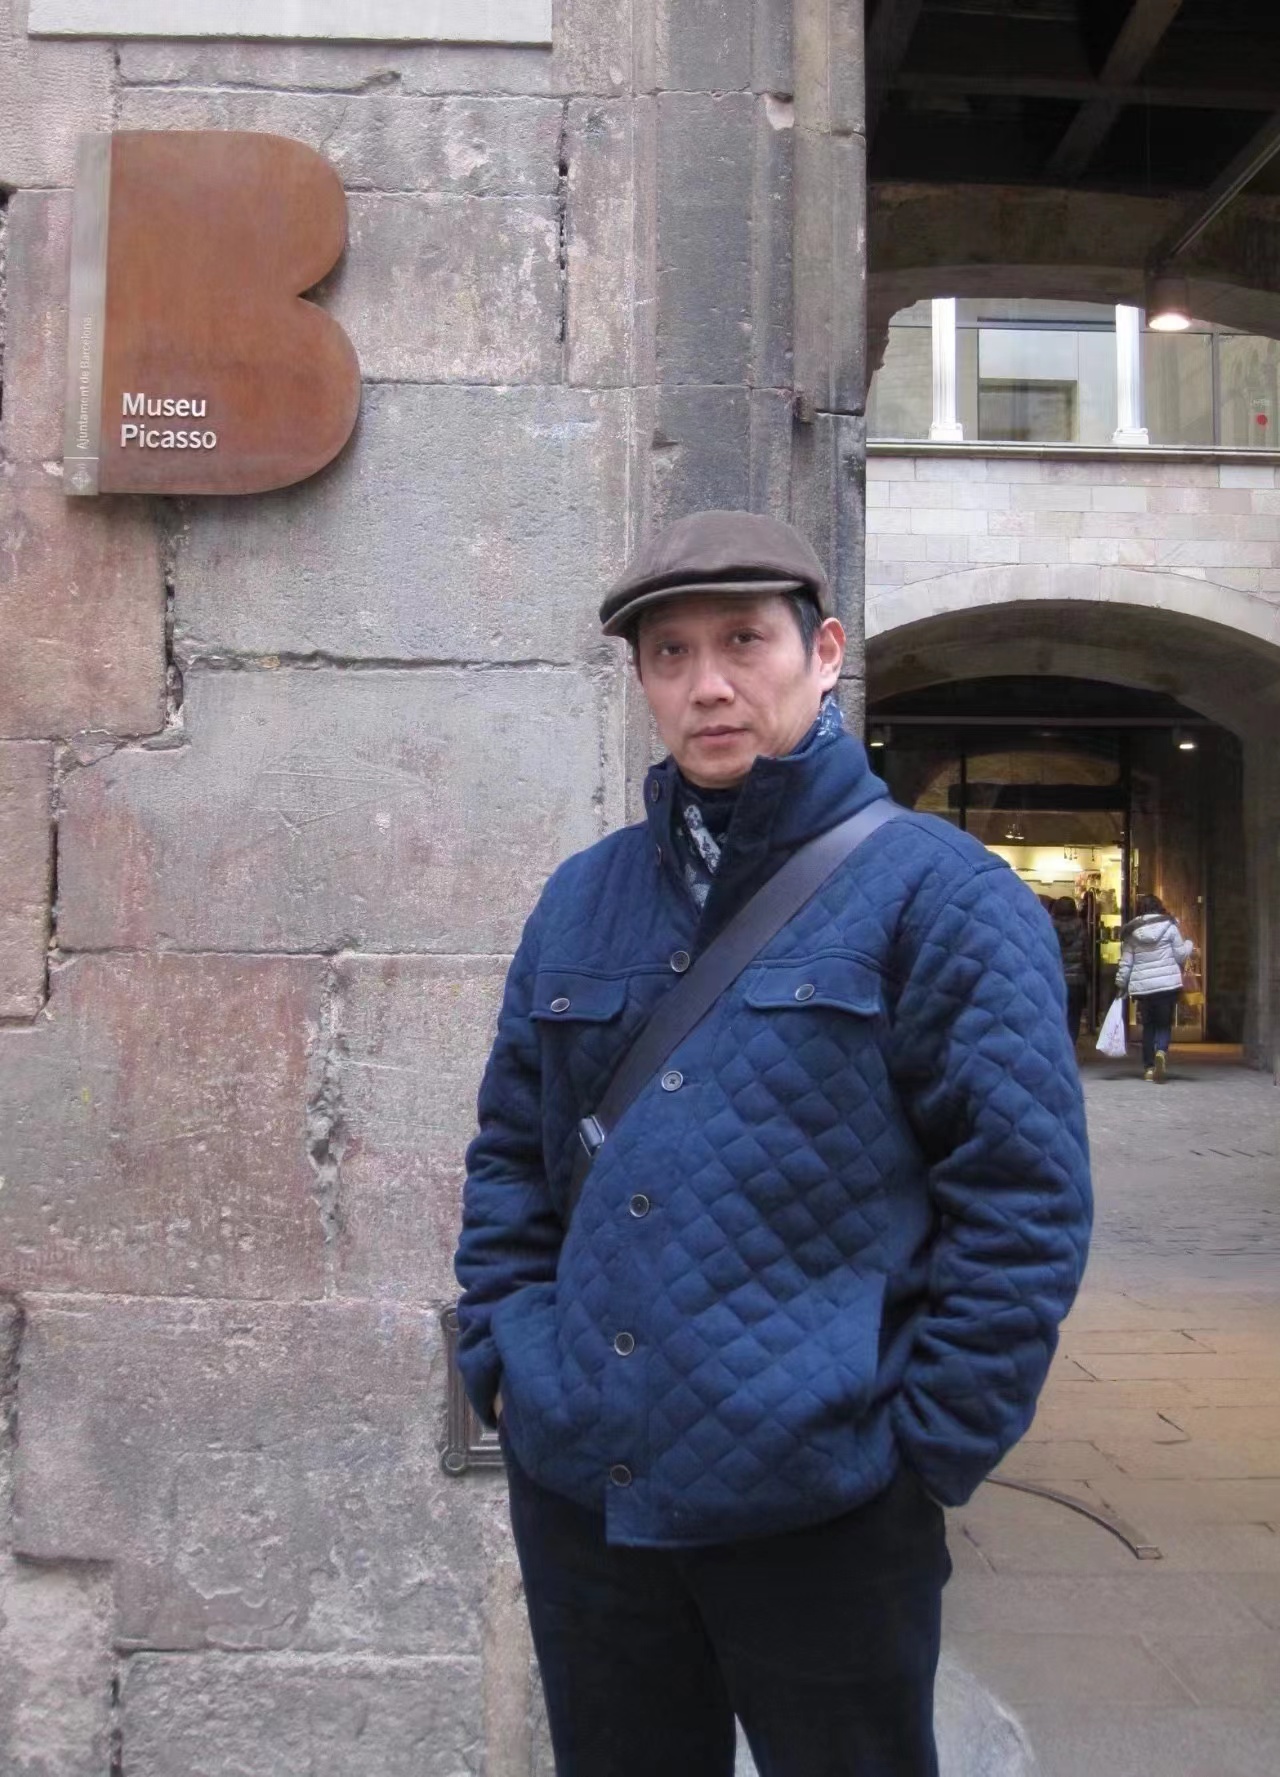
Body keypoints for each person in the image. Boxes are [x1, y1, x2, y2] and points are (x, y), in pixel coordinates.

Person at [453, 510, 1092, 1777]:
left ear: (824, 652)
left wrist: (920, 1452)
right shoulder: (582, 895)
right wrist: (508, 1360)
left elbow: (1022, 1203)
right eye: (670, 653)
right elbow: (512, 1157)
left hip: (825, 1505)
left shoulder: (943, 896)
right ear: (642, 681)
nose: (707, 684)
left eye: (743, 641)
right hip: (588, 1493)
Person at [1115, 892, 1194, 1083]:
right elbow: (1180, 956)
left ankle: (1149, 1068)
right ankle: (1161, 1052)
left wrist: (1121, 984)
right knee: (1164, 1024)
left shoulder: (1132, 932)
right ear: (1159, 907)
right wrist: (1189, 945)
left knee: (1148, 1027)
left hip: (1143, 988)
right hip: (1167, 985)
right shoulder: (1170, 927)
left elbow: (1126, 963)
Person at [1052, 894, 1088, 1046]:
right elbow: (1086, 954)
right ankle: (1070, 1045)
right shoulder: (1082, 927)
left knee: (1056, 1015)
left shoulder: (1049, 927)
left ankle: (1058, 1045)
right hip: (1077, 980)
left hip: (1055, 979)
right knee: (1074, 1016)